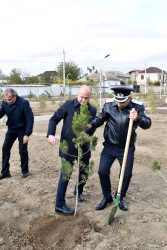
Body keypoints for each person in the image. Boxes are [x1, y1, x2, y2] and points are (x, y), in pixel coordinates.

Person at [86, 86, 151, 211]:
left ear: (129, 98)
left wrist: (138, 118)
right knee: (102, 171)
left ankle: (119, 197)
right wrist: (90, 125)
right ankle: (106, 197)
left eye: (122, 101)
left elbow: (148, 123)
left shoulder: (137, 106)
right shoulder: (109, 105)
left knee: (126, 174)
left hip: (127, 148)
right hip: (109, 146)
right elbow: (100, 119)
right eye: (117, 101)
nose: (119, 104)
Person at [47, 85, 97, 215]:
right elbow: (54, 119)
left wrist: (89, 133)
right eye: (81, 97)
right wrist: (51, 134)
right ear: (77, 95)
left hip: (84, 148)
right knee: (65, 175)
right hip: (68, 147)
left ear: (90, 97)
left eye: (87, 98)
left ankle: (78, 191)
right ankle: (59, 204)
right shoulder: (68, 105)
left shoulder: (92, 110)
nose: (84, 100)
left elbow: (93, 126)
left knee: (84, 172)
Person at [0, 88, 34, 179]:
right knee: (5, 148)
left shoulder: (24, 103)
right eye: (7, 100)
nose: (8, 102)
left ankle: (25, 171)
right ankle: (5, 172)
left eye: (10, 100)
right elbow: (1, 113)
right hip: (11, 129)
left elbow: (30, 119)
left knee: (22, 150)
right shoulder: (5, 102)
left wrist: (27, 134)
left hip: (22, 130)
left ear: (15, 96)